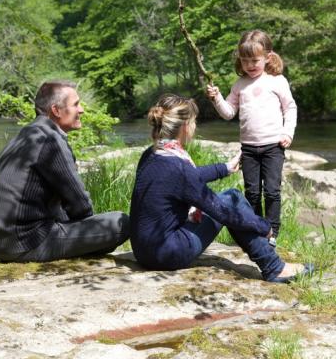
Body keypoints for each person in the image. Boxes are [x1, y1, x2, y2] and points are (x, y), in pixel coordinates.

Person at [130, 94, 311, 283]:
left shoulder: (152, 154)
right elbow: (222, 212)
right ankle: (274, 267)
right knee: (232, 199)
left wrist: (224, 168)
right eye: (194, 122)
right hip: (167, 254)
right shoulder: (179, 168)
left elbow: (182, 180)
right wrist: (264, 226)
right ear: (185, 126)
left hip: (143, 252)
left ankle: (271, 262)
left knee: (230, 198)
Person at [0, 80, 130, 262]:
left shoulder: (27, 134)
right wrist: (88, 230)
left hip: (0, 243)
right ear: (56, 110)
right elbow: (80, 205)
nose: (82, 110)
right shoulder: (50, 141)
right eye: (75, 104)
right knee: (121, 222)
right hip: (27, 243)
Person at [206, 30, 297, 247]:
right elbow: (228, 113)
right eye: (245, 61)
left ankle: (272, 232)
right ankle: (256, 229)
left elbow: (290, 108)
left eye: (255, 60)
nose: (250, 65)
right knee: (252, 193)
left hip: (273, 145)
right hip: (248, 149)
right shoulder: (239, 85)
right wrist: (216, 98)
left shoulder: (277, 81)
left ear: (268, 57)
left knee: (272, 191)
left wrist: (287, 133)